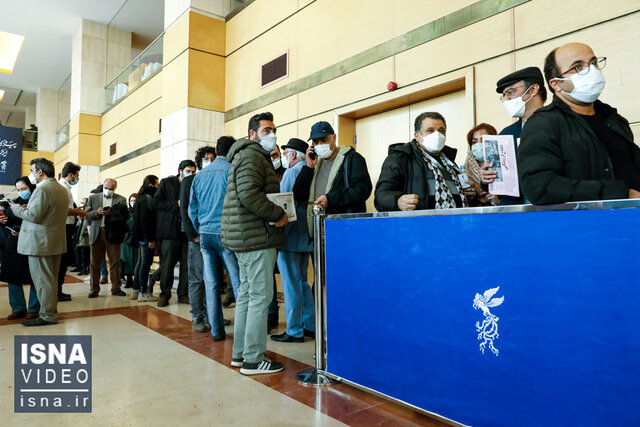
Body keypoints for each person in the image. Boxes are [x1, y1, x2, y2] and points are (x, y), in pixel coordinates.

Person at [518, 42, 640, 204]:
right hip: (588, 224)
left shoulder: (614, 120)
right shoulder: (544, 123)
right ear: (556, 84)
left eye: (594, 63)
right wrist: (618, 193)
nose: (592, 70)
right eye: (577, 67)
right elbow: (540, 186)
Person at [221, 111, 288, 375]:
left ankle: (241, 354)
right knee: (259, 297)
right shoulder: (251, 155)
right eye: (266, 130)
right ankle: (253, 359)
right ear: (252, 134)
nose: (271, 135)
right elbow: (250, 194)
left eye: (273, 130)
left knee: (248, 297)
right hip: (256, 237)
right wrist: (278, 215)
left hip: (245, 237)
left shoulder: (247, 155)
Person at [190, 137, 242, 340]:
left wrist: (199, 227)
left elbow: (191, 208)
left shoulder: (200, 175)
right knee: (238, 283)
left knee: (211, 285)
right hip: (227, 233)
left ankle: (217, 331)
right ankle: (242, 332)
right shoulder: (232, 170)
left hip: (205, 235)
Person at [374, 112, 475, 211]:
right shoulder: (400, 158)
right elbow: (380, 197)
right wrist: (398, 201)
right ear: (417, 136)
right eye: (430, 130)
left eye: (441, 130)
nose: (437, 135)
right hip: (419, 225)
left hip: (456, 223)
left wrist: (470, 195)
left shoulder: (449, 162)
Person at [9, 158, 69, 326]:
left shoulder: (43, 189)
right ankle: (50, 312)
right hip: (54, 241)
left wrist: (17, 209)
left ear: (40, 172)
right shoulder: (60, 189)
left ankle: (48, 315)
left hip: (40, 244)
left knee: (43, 281)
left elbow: (34, 216)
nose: (31, 174)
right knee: (50, 280)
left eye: (32, 170)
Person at [271, 138, 315, 343]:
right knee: (302, 282)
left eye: (287, 153)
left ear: (294, 154)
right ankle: (311, 324)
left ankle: (294, 330)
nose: (285, 157)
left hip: (289, 238)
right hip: (305, 237)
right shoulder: (311, 171)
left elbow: (283, 207)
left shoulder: (291, 172)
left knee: (290, 285)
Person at [481, 67, 547, 204]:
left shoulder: (560, 123)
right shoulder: (505, 135)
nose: (506, 99)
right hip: (515, 211)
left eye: (510, 92)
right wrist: (486, 178)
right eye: (504, 96)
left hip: (554, 209)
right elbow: (495, 184)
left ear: (533, 90)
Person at [294, 121, 372, 233]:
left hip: (345, 228)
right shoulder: (315, 164)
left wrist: (330, 199)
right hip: (319, 229)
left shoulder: (352, 159)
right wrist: (308, 167)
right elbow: (298, 195)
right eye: (316, 142)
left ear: (334, 138)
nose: (320, 144)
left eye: (324, 140)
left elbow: (362, 190)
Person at [181, 145, 216, 333]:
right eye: (206, 158)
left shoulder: (217, 178)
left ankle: (213, 315)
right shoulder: (190, 181)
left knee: (213, 278)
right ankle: (197, 316)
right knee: (196, 279)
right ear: (200, 162)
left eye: (213, 158)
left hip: (213, 236)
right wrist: (192, 234)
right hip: (196, 236)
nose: (209, 162)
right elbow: (185, 209)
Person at [155, 160, 196, 307]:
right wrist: (176, 204)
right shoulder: (167, 183)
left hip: (187, 233)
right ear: (180, 171)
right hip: (170, 231)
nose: (190, 174)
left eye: (193, 172)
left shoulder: (194, 184)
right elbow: (157, 202)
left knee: (187, 265)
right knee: (167, 266)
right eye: (188, 171)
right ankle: (164, 294)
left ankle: (183, 294)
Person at [85, 178, 129, 298]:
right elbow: (86, 214)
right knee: (95, 263)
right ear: (103, 187)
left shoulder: (121, 199)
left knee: (115, 261)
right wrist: (96, 212)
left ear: (114, 188)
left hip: (113, 233)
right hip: (97, 232)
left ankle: (116, 288)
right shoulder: (93, 198)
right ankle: (94, 288)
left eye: (111, 189)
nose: (108, 191)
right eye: (106, 188)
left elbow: (125, 216)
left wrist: (112, 213)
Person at [1, 181, 39, 320]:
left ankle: (34, 308)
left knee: (34, 275)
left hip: (32, 242)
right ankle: (18, 308)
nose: (21, 191)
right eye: (19, 189)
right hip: (13, 244)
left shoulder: (37, 201)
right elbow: (8, 221)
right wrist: (3, 220)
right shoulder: (13, 203)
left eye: (24, 188)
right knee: (12, 275)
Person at [57, 162, 86, 301]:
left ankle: (58, 290)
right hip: (63, 227)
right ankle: (57, 291)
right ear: (70, 175)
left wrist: (75, 211)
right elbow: (63, 209)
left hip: (67, 227)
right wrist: (77, 212)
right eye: (77, 175)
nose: (77, 178)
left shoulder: (65, 187)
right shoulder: (62, 188)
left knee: (64, 260)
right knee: (62, 261)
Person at [132, 175, 159, 302]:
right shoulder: (148, 199)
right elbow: (146, 221)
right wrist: (151, 239)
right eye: (157, 185)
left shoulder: (141, 197)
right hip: (146, 237)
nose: (158, 188)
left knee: (140, 263)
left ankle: (136, 289)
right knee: (145, 264)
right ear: (151, 185)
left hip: (141, 236)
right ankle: (144, 291)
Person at [464, 123, 500, 206]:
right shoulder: (465, 171)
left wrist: (498, 201)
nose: (478, 145)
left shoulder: (505, 167)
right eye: (474, 142)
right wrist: (475, 197)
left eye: (483, 140)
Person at [121, 193, 138, 293]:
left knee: (136, 260)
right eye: (131, 200)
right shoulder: (126, 212)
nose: (133, 202)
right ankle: (129, 280)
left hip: (136, 239)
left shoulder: (139, 211)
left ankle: (136, 280)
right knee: (126, 259)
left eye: (135, 200)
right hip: (126, 238)